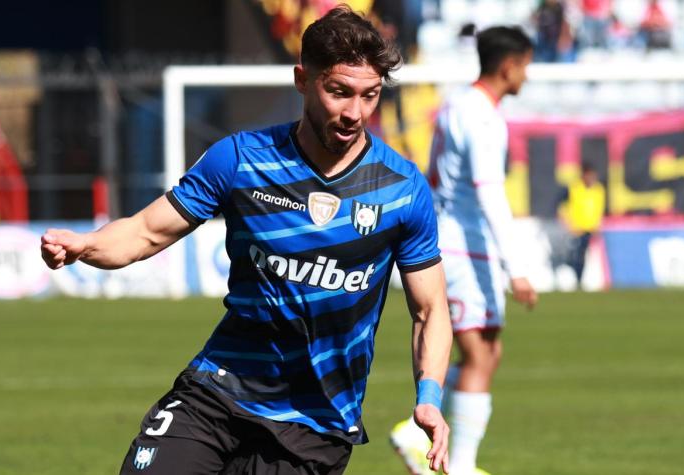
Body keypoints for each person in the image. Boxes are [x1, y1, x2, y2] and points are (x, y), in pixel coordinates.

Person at [40, 6, 453, 475]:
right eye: (339, 92)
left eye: (370, 95)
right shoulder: (239, 160)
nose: (354, 113)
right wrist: (85, 246)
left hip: (315, 424)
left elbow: (430, 309)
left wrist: (430, 396)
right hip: (217, 393)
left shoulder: (401, 189)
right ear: (303, 79)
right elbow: (145, 231)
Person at [390, 26, 538, 475]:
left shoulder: (461, 103)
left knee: (487, 352)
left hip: (458, 241)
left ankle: (415, 433)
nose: (527, 77)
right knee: (478, 354)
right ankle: (461, 465)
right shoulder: (482, 117)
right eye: (526, 68)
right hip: (462, 246)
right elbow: (489, 192)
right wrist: (518, 267)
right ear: (509, 66)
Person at [561, 163, 605, 288]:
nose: (592, 178)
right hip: (576, 229)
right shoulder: (573, 188)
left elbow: (598, 209)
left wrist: (597, 225)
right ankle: (575, 278)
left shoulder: (599, 189)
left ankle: (579, 280)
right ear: (584, 174)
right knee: (575, 255)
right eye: (590, 175)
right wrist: (569, 224)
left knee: (583, 255)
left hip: (590, 229)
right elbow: (563, 207)